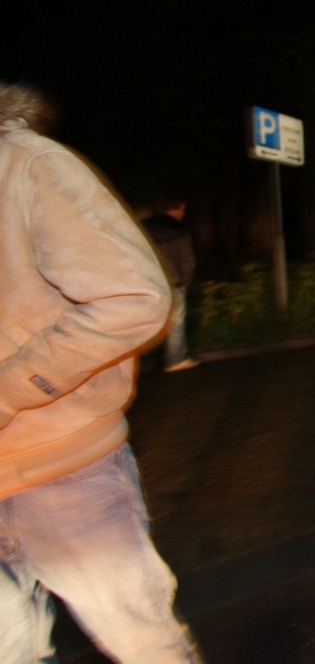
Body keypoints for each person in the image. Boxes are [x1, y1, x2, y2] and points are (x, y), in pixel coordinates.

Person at [0, 83, 202, 662]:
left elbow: (136, 298)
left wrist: (11, 388)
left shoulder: (27, 166)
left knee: (144, 647)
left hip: (62, 471)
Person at [143, 195, 200, 372]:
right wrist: (185, 282)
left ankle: (137, 360)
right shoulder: (179, 232)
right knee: (175, 322)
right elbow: (187, 262)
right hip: (173, 283)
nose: (183, 214)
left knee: (144, 322)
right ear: (174, 209)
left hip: (146, 283)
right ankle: (175, 359)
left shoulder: (143, 229)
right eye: (182, 210)